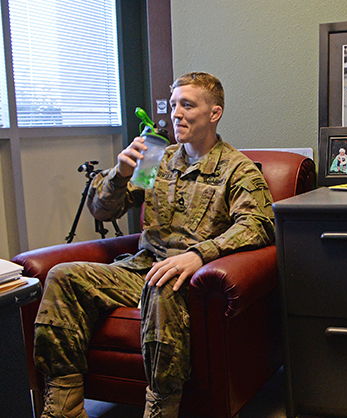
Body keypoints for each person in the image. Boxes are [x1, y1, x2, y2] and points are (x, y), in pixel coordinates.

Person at [33, 72, 275, 418]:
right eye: (174, 104)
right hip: (140, 267)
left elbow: (259, 225)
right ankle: (64, 405)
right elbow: (103, 210)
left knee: (161, 283)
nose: (176, 113)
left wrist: (198, 254)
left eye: (187, 105)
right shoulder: (158, 160)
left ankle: (161, 409)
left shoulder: (237, 169)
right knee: (62, 276)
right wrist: (117, 174)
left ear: (214, 113)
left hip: (186, 280)